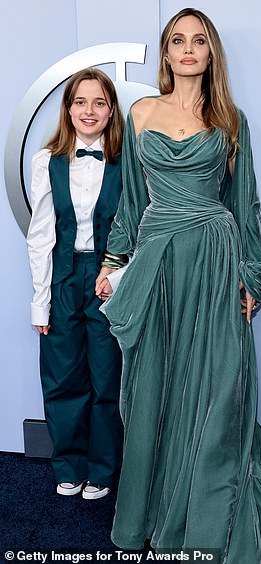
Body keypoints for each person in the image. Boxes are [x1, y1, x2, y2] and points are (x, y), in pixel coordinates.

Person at [95, 8, 261, 563]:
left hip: (216, 263)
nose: (188, 49)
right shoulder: (139, 111)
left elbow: (245, 205)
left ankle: (205, 515)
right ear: (165, 54)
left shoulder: (232, 119)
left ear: (211, 53)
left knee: (217, 394)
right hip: (160, 263)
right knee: (152, 389)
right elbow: (132, 201)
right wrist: (113, 261)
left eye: (198, 41)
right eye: (177, 40)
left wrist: (252, 279)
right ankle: (153, 510)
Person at [27, 67, 125, 499]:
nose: (89, 110)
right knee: (63, 375)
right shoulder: (46, 160)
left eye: (99, 102)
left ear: (110, 111)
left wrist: (116, 276)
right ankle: (69, 464)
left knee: (107, 379)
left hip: (108, 278)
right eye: (80, 101)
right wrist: (40, 302)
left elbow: (135, 228)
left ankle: (103, 469)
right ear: (67, 108)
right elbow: (41, 235)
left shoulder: (127, 161)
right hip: (64, 276)